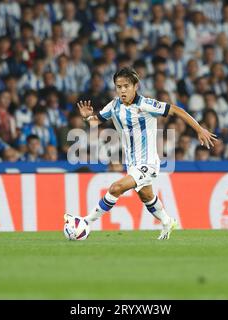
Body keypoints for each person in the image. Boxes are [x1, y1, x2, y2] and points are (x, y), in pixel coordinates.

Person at [67, 67, 217, 240]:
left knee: (116, 188)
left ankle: (86, 221)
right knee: (146, 196)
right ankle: (167, 221)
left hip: (148, 163)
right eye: (118, 86)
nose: (122, 90)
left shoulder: (146, 105)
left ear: (135, 86)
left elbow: (176, 110)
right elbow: (95, 122)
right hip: (131, 163)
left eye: (126, 86)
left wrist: (199, 129)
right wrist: (87, 117)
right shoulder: (114, 105)